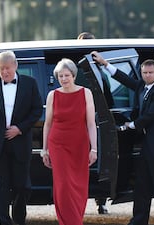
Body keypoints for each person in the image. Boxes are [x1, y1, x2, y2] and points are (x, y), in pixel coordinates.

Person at [92, 51, 154, 225]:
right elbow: (123, 78)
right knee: (142, 185)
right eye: (144, 73)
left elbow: (150, 116)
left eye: (150, 73)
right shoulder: (142, 86)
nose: (147, 75)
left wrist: (129, 125)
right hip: (148, 146)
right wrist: (104, 63)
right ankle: (139, 220)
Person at [0, 50, 43, 225]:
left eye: (7, 68)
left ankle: (19, 220)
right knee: (1, 187)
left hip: (20, 143)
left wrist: (20, 128)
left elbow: (37, 110)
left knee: (23, 186)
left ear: (15, 66)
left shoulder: (30, 83)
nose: (4, 72)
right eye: (1, 69)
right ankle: (4, 222)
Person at [41, 58, 98, 225]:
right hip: (57, 144)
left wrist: (93, 148)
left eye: (67, 75)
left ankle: (75, 219)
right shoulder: (53, 95)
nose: (64, 79)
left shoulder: (86, 93)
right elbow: (48, 123)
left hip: (79, 144)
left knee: (78, 186)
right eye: (60, 76)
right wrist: (44, 149)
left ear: (73, 75)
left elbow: (91, 124)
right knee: (63, 185)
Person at [77, 31, 110, 214]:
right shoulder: (79, 69)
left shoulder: (98, 68)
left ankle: (101, 199)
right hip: (83, 120)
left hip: (99, 118)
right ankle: (97, 199)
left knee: (101, 159)